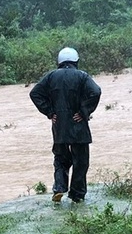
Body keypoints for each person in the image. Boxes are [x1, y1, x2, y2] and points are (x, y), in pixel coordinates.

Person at [29, 47, 102, 203]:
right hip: (79, 126)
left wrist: (50, 112)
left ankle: (60, 188)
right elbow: (95, 92)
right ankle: (77, 194)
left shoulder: (51, 76)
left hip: (59, 125)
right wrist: (84, 112)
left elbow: (34, 93)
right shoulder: (82, 76)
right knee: (81, 161)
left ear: (59, 62)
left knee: (61, 158)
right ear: (75, 61)